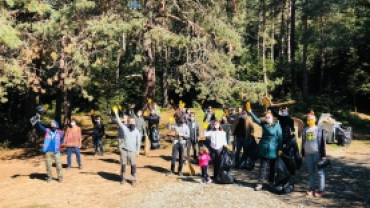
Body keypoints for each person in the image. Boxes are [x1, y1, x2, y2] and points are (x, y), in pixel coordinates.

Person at [247, 108, 282, 191]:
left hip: (274, 148)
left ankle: (271, 181)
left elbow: (280, 138)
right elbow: (256, 119)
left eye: (268, 117)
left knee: (273, 167)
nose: (267, 118)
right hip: (264, 148)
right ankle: (260, 183)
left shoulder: (277, 126)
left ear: (272, 117)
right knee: (263, 167)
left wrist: (280, 149)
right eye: (266, 117)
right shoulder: (263, 124)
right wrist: (250, 111)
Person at [113, 108, 142, 186]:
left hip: (132, 151)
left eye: (133, 122)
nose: (132, 123)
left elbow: (138, 142)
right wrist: (116, 113)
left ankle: (133, 179)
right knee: (123, 164)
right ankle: (123, 178)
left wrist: (138, 150)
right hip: (124, 150)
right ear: (128, 123)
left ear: (135, 123)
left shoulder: (137, 132)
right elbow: (119, 121)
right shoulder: (125, 129)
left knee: (133, 165)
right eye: (130, 122)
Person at [302, 111, 326, 198]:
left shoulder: (319, 129)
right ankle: (312, 188)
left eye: (311, 119)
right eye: (308, 119)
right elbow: (303, 142)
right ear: (307, 120)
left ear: (315, 120)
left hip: (317, 153)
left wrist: (324, 155)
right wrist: (303, 154)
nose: (310, 120)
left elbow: (323, 143)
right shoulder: (305, 129)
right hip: (308, 153)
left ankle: (321, 190)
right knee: (311, 172)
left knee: (320, 172)